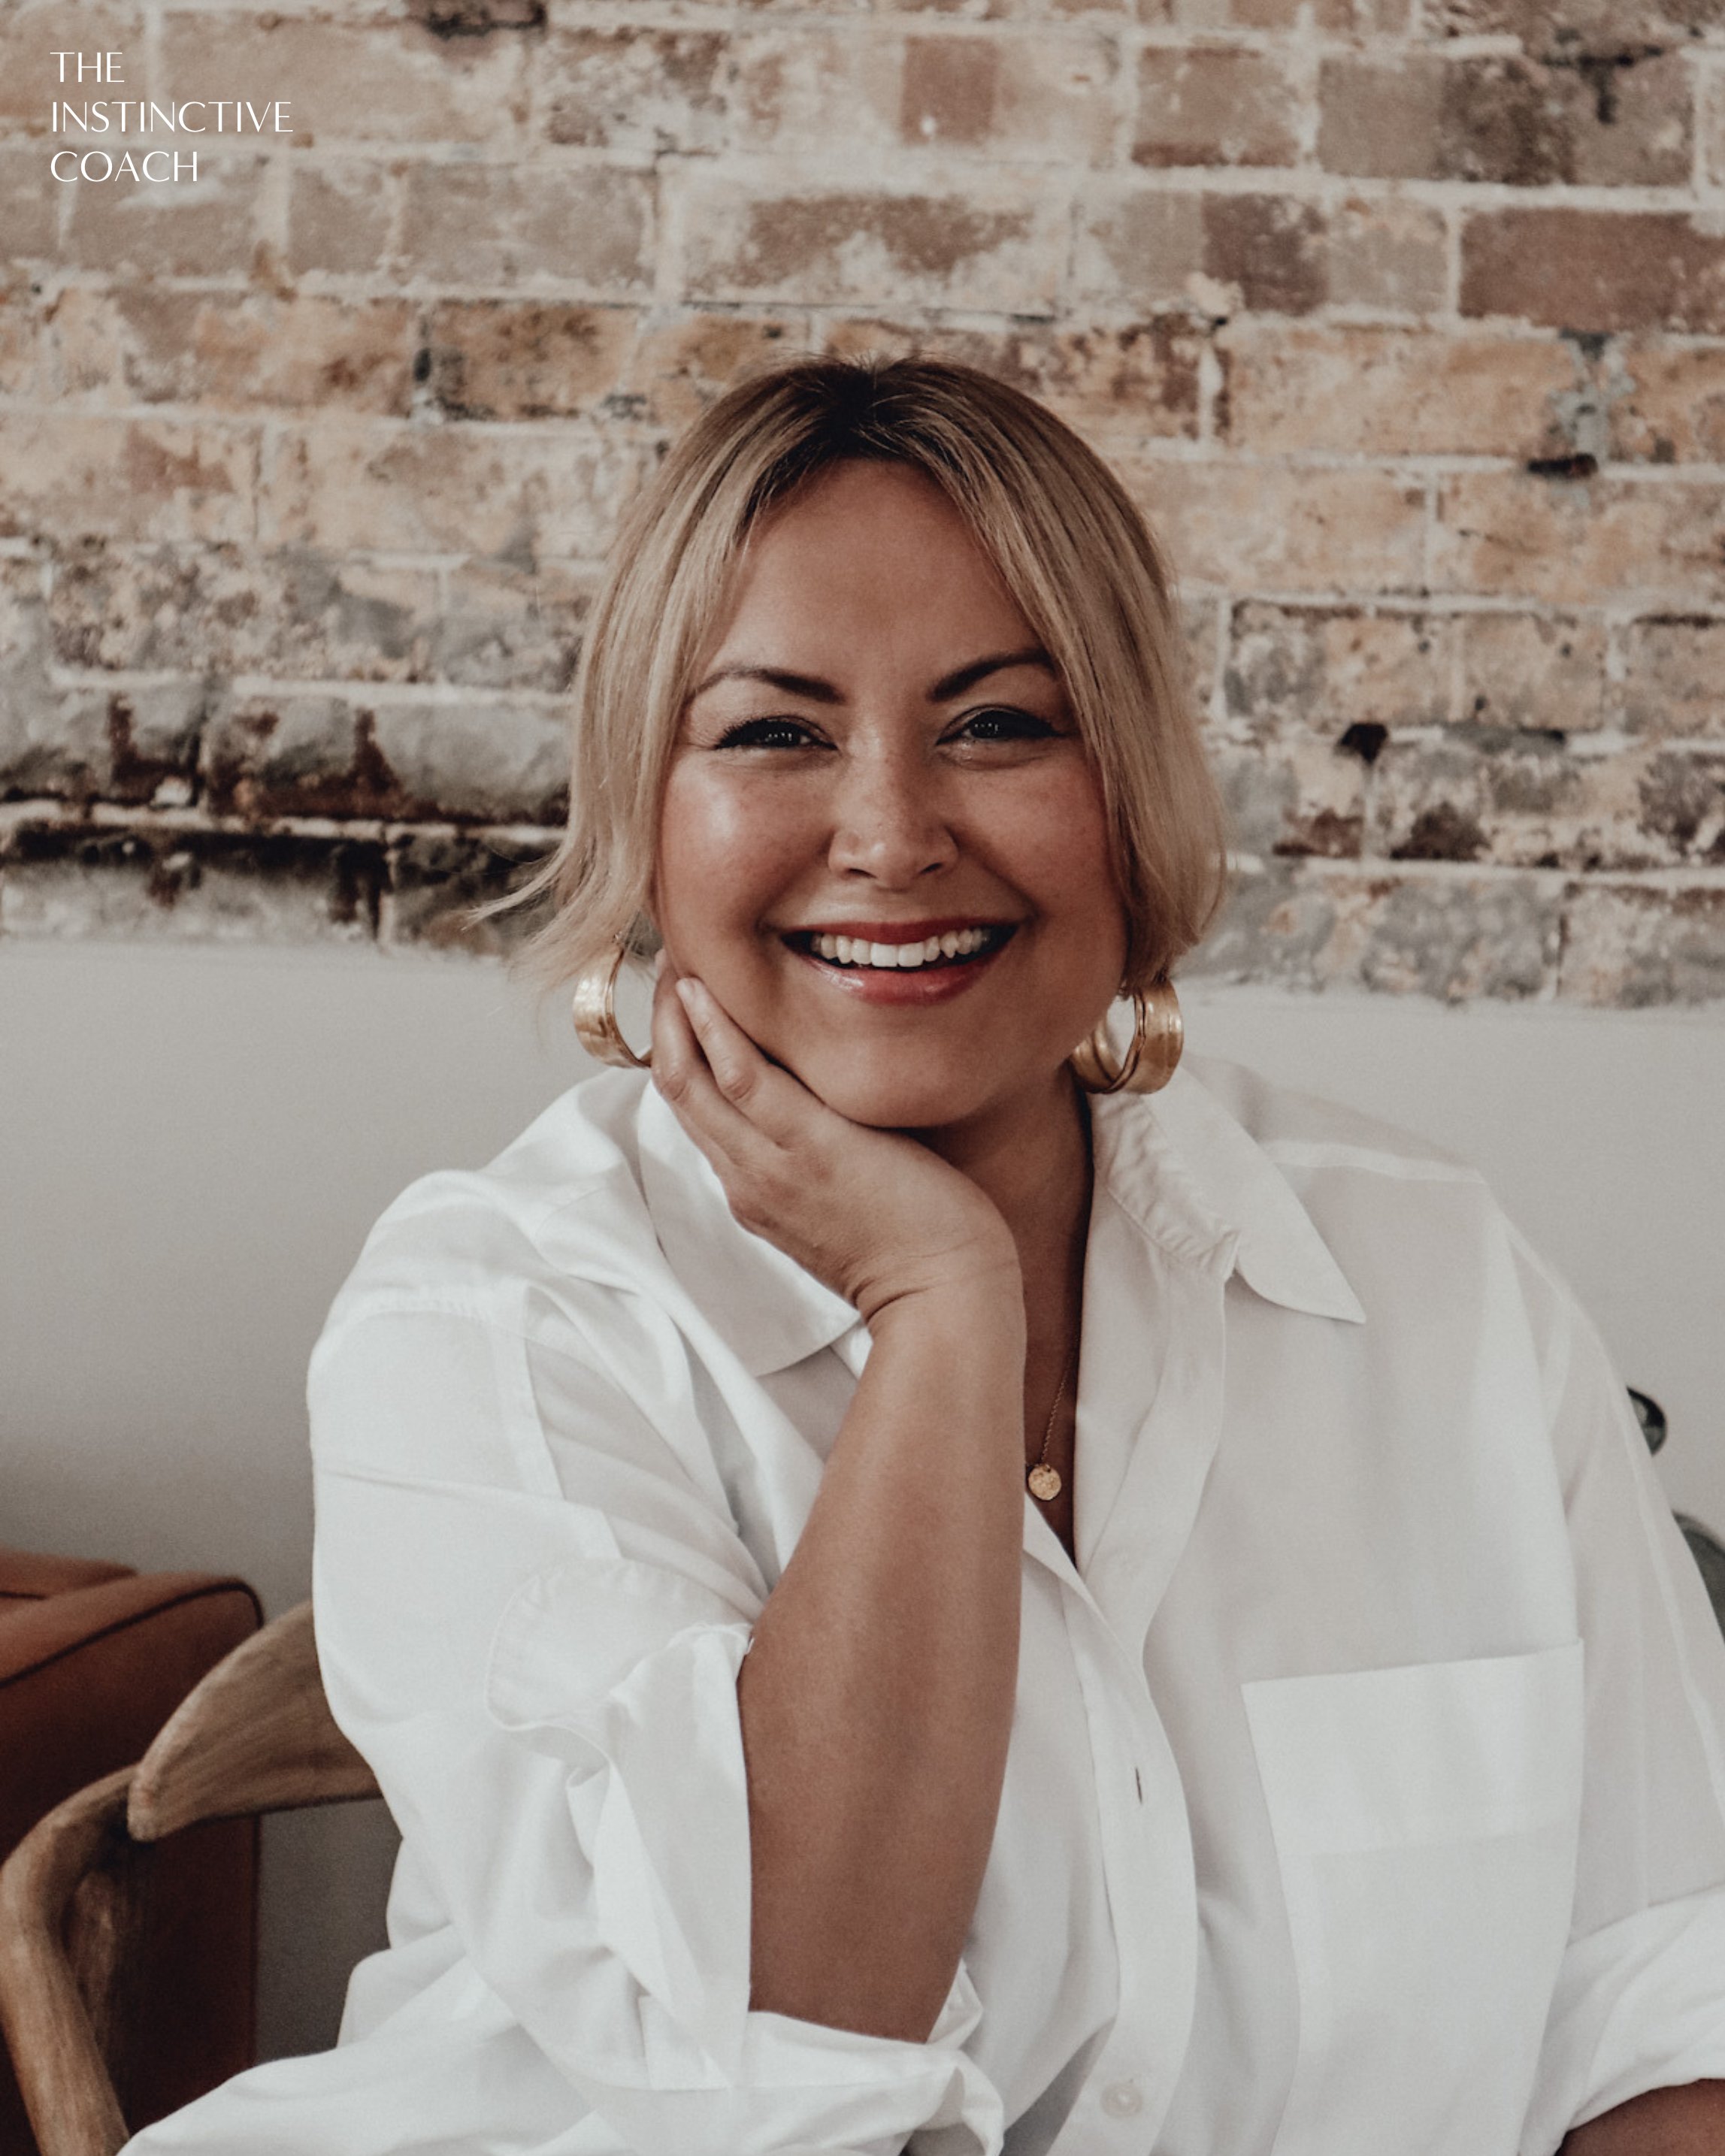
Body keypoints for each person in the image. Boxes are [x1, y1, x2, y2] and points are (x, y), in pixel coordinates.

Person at [129, 358, 1725, 2156]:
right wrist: (940, 1310)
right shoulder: (494, 1320)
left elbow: (1660, 2016)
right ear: (644, 819)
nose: (890, 837)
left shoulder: (1439, 1277)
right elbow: (798, 2020)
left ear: (1127, 786)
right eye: (771, 733)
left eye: (997, 726)